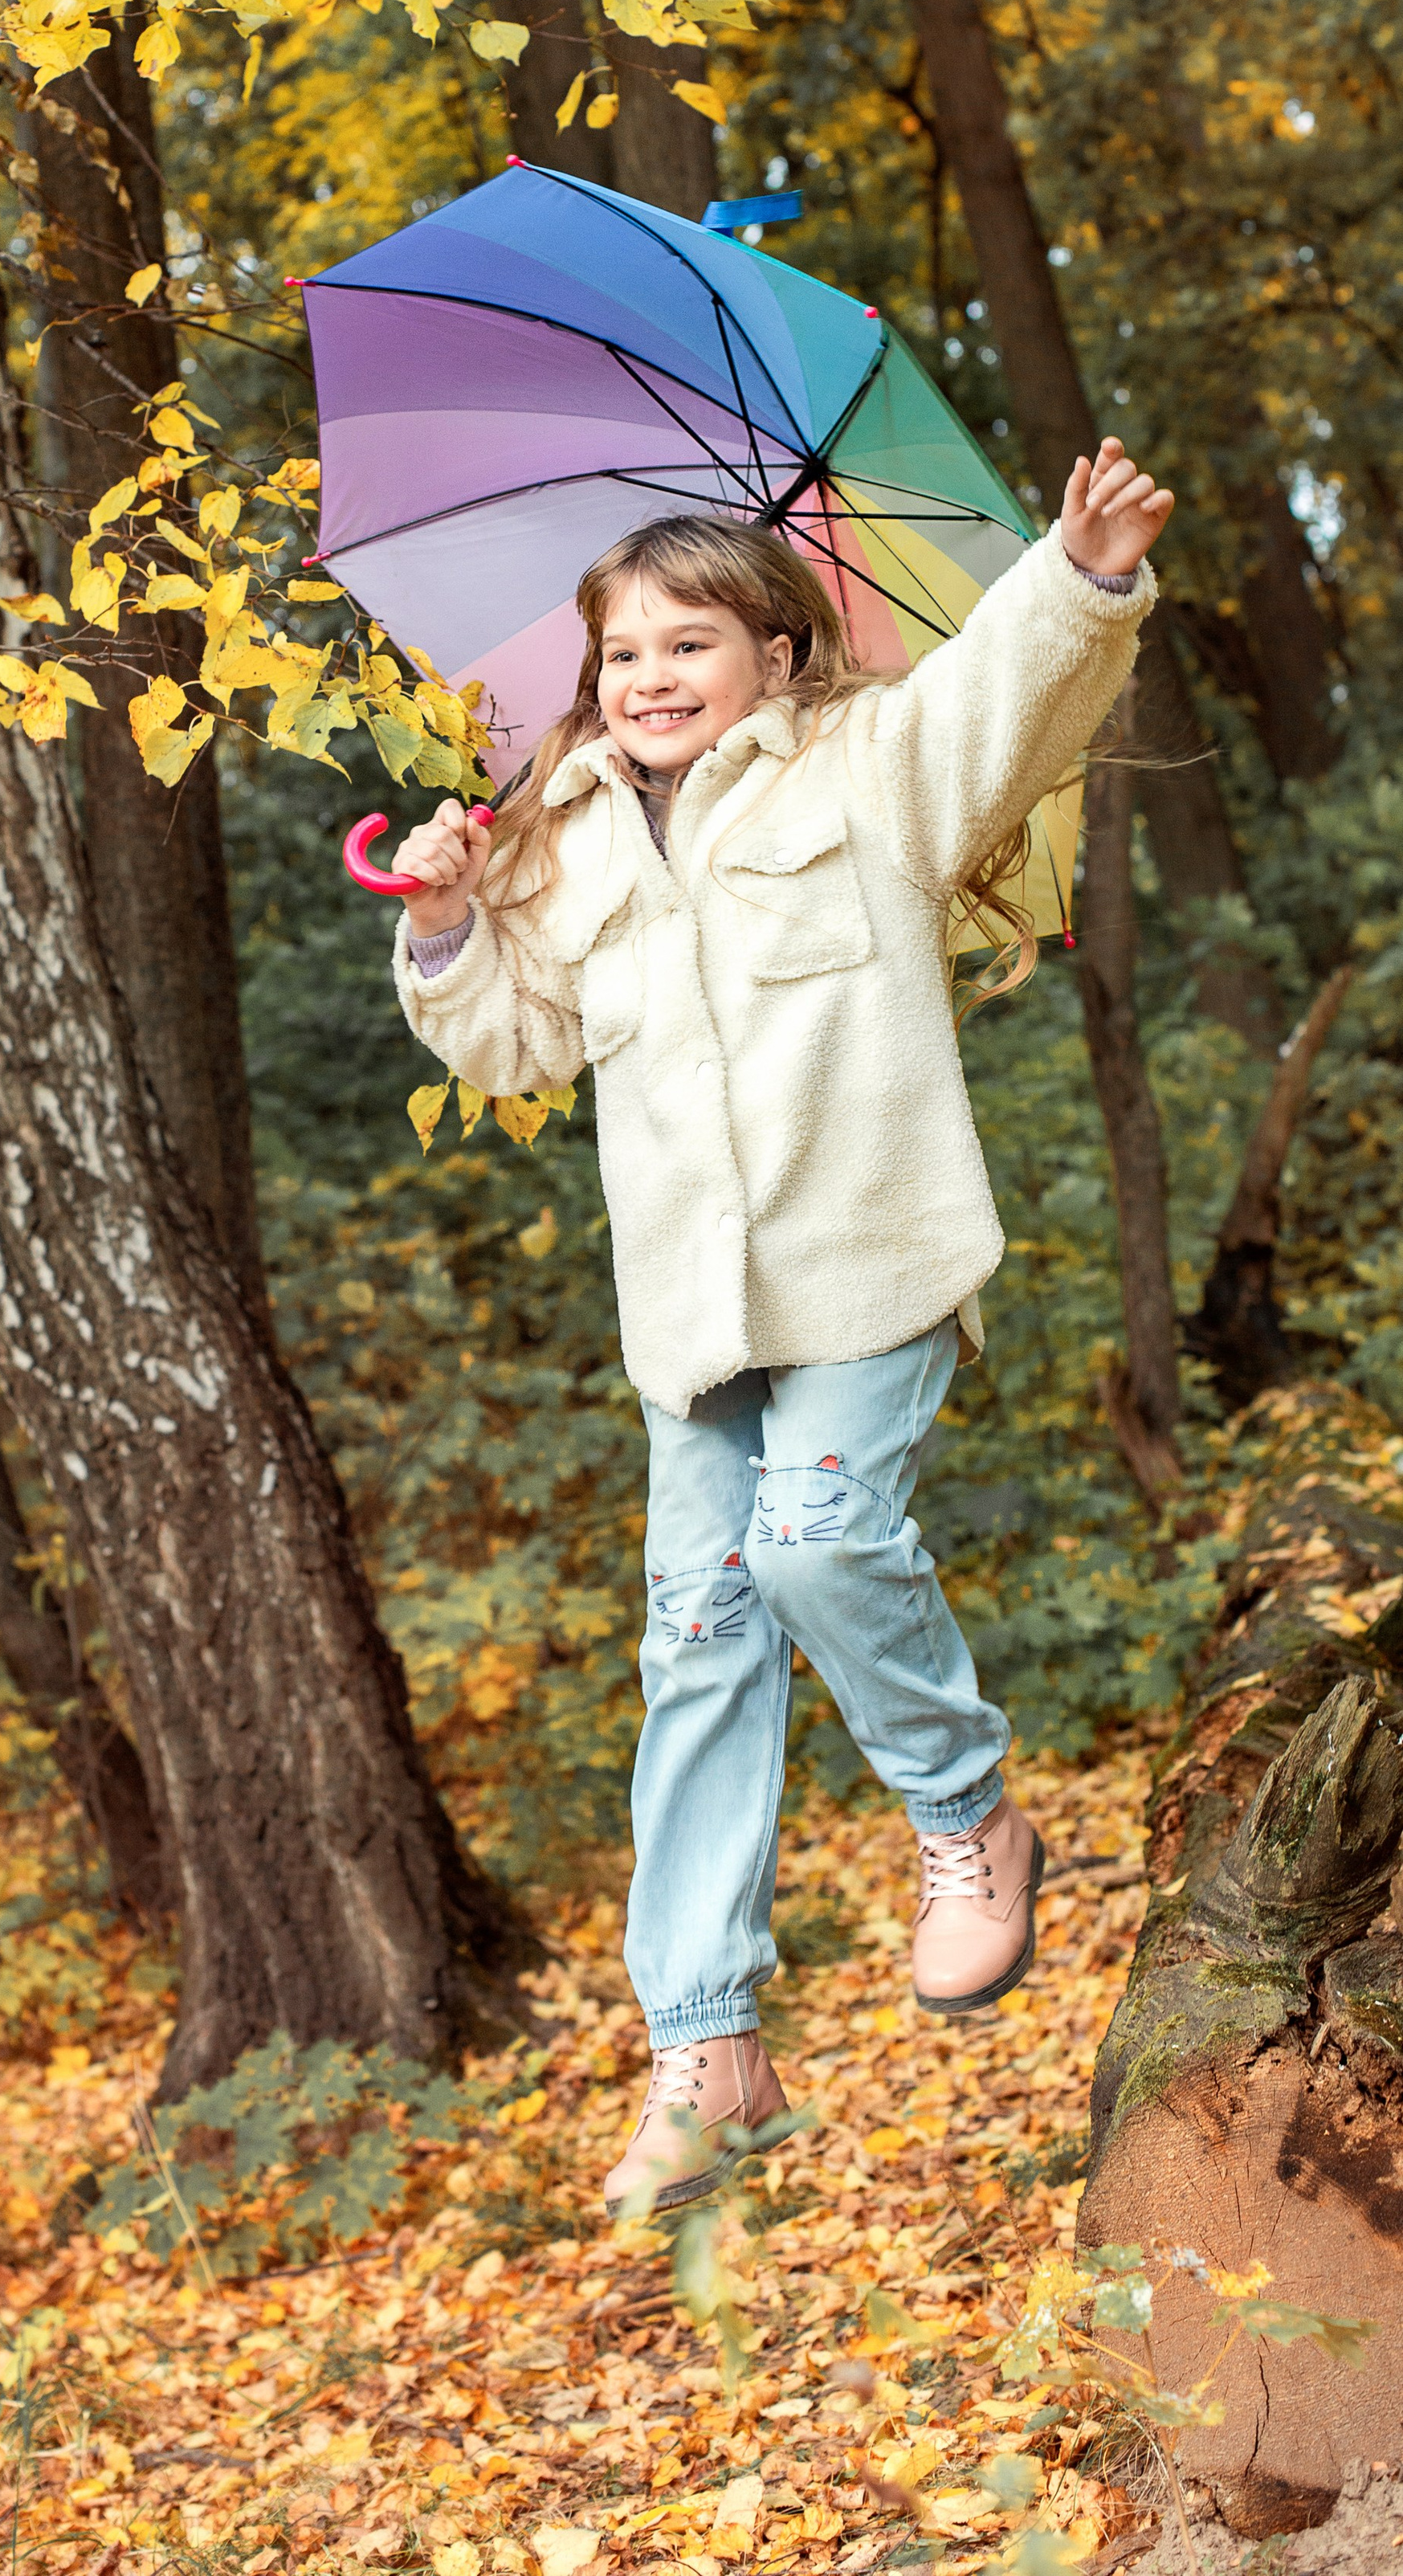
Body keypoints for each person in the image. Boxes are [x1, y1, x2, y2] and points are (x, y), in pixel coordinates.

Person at [387, 441, 1171, 2219]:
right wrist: (444, 921)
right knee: (699, 1641)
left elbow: (997, 699)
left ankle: (967, 1821)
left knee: (817, 1542)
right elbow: (507, 1045)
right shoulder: (557, 841)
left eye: (687, 643)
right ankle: (708, 2045)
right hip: (688, 1313)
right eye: (619, 653)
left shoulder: (865, 768)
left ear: (775, 652)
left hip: (865, 1261)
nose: (648, 678)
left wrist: (1077, 577)